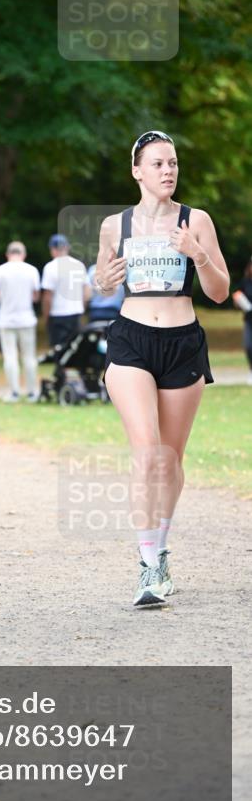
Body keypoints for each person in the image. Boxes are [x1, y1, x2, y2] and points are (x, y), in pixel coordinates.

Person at [94, 130, 229, 607]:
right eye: (157, 163)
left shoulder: (197, 221)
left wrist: (198, 253)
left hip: (182, 343)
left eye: (173, 163)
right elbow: (102, 277)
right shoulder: (117, 224)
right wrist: (102, 278)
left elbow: (218, 290)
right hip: (131, 339)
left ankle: (162, 547)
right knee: (148, 453)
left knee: (170, 460)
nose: (168, 171)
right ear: (137, 170)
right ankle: (148, 564)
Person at [0, 241, 41, 402]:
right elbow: (36, 296)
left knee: (10, 357)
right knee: (29, 357)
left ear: (7, 254)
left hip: (6, 319)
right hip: (26, 318)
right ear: (23, 254)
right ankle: (32, 392)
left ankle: (14, 392)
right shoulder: (31, 270)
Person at [41, 235, 90, 347]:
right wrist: (81, 308)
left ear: (53, 249)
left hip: (58, 314)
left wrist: (46, 317)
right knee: (75, 349)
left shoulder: (50, 267)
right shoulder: (79, 265)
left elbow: (47, 296)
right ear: (67, 247)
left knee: (59, 349)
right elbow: (87, 292)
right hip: (76, 313)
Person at [232, 256, 252, 385]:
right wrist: (238, 302)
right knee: (249, 346)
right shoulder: (246, 282)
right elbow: (238, 298)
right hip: (249, 319)